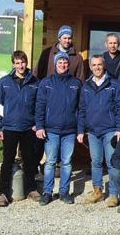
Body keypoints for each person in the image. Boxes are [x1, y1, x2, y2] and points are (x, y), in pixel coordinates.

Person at [77, 54, 120, 207]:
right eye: (94, 65)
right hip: (92, 131)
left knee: (111, 162)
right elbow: (82, 110)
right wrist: (80, 130)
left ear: (103, 66)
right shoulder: (86, 86)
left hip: (110, 130)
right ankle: (97, 190)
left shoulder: (114, 84)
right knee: (96, 162)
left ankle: (113, 194)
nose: (97, 67)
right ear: (91, 67)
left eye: (99, 64)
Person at [0, 50, 40, 207]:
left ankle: (31, 189)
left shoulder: (35, 82)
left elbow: (39, 106)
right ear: (13, 64)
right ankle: (3, 192)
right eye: (17, 63)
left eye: (23, 62)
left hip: (28, 128)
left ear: (27, 63)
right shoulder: (5, 81)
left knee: (29, 160)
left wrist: (36, 124)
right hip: (10, 128)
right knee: (7, 161)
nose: (21, 65)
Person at [35, 52, 82, 205]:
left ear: (68, 64)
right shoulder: (46, 82)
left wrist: (80, 129)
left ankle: (64, 192)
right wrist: (40, 126)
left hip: (69, 130)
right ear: (55, 64)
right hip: (51, 130)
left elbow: (81, 109)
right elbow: (40, 106)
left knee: (67, 163)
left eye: (65, 62)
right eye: (60, 62)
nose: (63, 65)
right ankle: (47, 192)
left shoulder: (76, 83)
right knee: (50, 162)